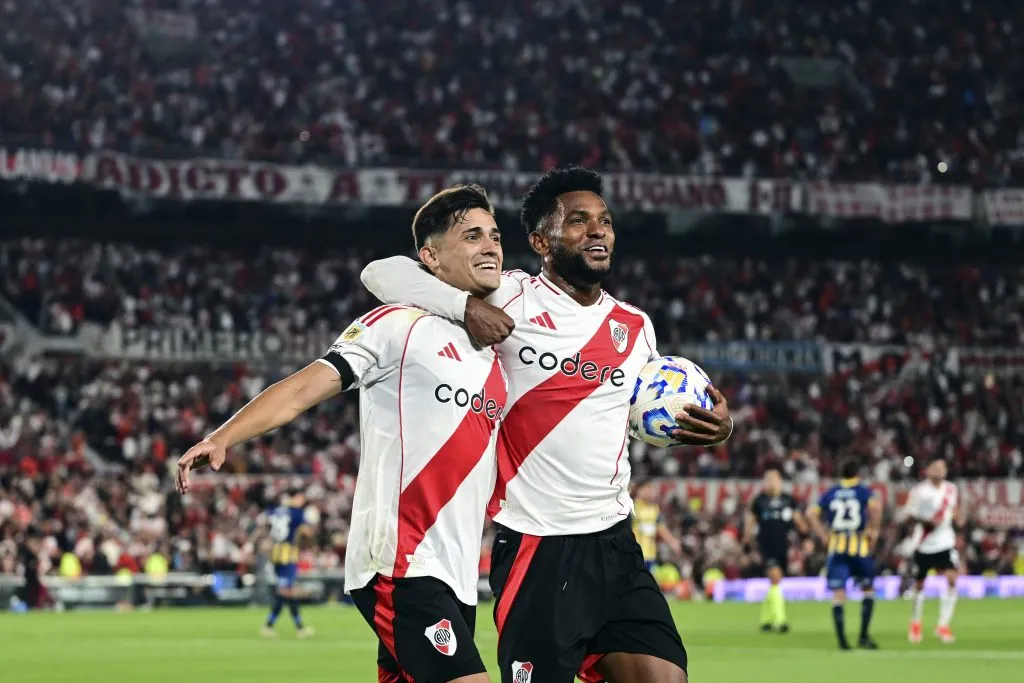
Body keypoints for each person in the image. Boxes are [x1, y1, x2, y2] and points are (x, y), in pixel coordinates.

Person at [360, 167, 734, 683]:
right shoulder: (508, 297)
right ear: (540, 241)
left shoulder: (635, 326)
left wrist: (714, 424)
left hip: (614, 541)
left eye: (604, 221)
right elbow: (380, 273)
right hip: (539, 545)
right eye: (578, 221)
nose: (598, 230)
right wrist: (463, 305)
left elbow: (639, 414)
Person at [177, 184, 507, 683]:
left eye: (496, 235)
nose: (490, 246)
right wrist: (224, 435)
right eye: (472, 235)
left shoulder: (494, 348)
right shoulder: (396, 324)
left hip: (457, 571)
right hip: (402, 561)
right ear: (431, 257)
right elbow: (305, 386)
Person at [807, 460, 880, 650]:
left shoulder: (831, 492)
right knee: (868, 591)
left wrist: (823, 534)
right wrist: (874, 530)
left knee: (839, 594)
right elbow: (876, 508)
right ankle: (863, 637)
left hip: (837, 546)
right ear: (857, 474)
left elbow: (811, 513)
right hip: (859, 546)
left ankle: (842, 641)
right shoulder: (863, 491)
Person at [904, 457, 962, 644]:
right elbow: (910, 513)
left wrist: (958, 518)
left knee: (952, 579)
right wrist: (926, 521)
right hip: (924, 542)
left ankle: (943, 625)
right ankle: (915, 623)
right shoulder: (919, 491)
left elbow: (953, 510)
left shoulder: (951, 489)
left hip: (945, 541)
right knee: (920, 584)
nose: (940, 469)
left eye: (943, 466)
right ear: (928, 470)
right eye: (936, 466)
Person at [744, 467, 807, 634]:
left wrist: (805, 536)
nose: (771, 483)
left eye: (774, 480)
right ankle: (780, 621)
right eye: (768, 480)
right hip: (766, 545)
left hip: (783, 545)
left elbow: (798, 520)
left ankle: (765, 619)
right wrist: (747, 541)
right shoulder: (759, 501)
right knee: (775, 578)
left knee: (775, 582)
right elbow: (750, 521)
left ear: (780, 482)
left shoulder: (788, 500)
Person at [260, 488, 316, 638]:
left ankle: (295, 627)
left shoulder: (277, 510)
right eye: (302, 498)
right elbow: (307, 532)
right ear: (296, 497)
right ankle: (275, 626)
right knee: (286, 592)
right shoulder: (297, 512)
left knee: (286, 591)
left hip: (275, 553)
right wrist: (313, 522)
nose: (302, 501)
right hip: (287, 555)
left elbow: (266, 523)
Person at [633, 481, 682, 572]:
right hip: (634, 555)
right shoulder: (631, 507)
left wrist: (673, 542)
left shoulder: (654, 509)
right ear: (638, 490)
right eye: (646, 488)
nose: (649, 491)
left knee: (648, 583)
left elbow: (661, 528)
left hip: (650, 554)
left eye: (650, 489)